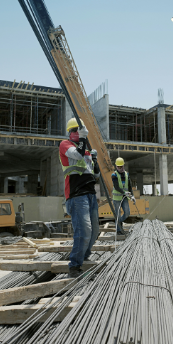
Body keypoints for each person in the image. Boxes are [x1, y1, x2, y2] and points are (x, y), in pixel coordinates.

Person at [59, 118, 100, 278]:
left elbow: (95, 174)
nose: (77, 132)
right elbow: (76, 154)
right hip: (76, 195)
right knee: (84, 230)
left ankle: (83, 257)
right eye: (74, 130)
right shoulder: (65, 145)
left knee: (94, 230)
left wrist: (94, 160)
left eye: (79, 130)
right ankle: (74, 266)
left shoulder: (86, 151)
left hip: (90, 194)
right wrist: (83, 139)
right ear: (69, 132)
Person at [111, 157, 138, 236]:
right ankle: (119, 230)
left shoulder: (127, 174)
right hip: (116, 199)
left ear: (123, 166)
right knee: (118, 214)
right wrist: (124, 192)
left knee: (127, 213)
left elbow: (129, 186)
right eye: (118, 167)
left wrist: (132, 196)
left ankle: (118, 222)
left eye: (121, 166)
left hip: (124, 198)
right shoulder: (114, 175)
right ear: (116, 166)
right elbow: (116, 187)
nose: (119, 168)